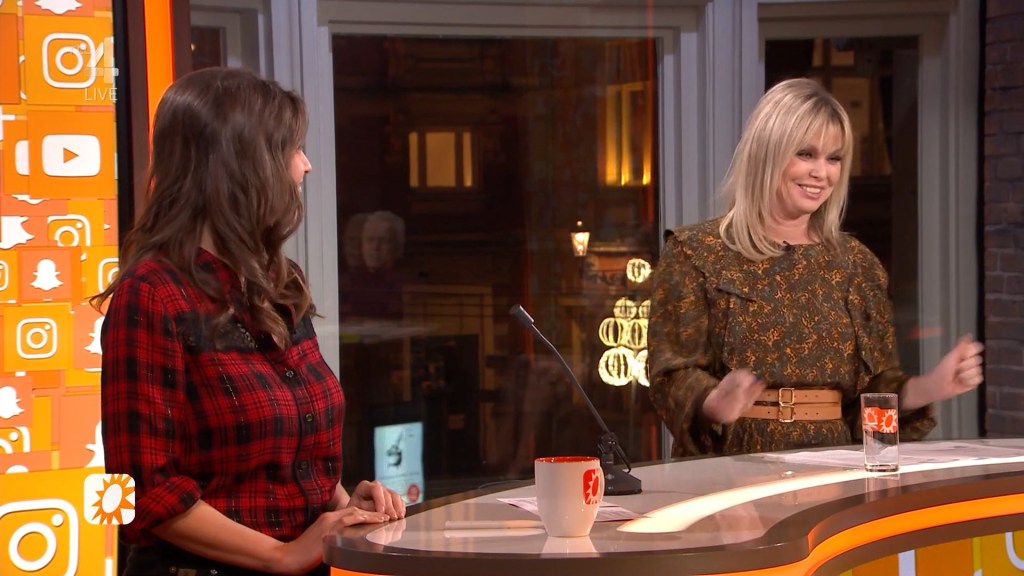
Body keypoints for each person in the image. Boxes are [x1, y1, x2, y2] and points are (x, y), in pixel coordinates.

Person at [94, 67, 405, 576]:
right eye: (293, 148)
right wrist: (283, 554)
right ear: (243, 164)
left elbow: (292, 451)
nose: (306, 165)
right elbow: (142, 493)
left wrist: (344, 507)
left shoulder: (280, 281)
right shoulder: (151, 294)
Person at [648, 78, 984, 458]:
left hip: (835, 464)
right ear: (767, 153)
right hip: (735, 461)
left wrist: (931, 386)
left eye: (834, 158)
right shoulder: (696, 253)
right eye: (806, 154)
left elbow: (873, 397)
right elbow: (669, 376)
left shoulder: (857, 265)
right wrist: (714, 401)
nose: (821, 173)